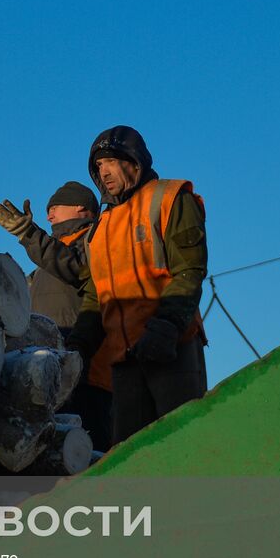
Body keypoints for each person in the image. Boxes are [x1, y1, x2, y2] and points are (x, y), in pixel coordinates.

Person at [68, 125, 208, 444]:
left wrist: (167, 326)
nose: (103, 173)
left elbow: (189, 269)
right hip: (124, 363)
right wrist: (78, 347)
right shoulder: (100, 228)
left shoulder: (170, 197)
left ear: (134, 162)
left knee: (183, 446)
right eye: (98, 166)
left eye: (110, 162)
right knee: (131, 460)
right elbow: (95, 296)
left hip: (172, 348)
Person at [0, 182, 113, 450]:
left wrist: (28, 234)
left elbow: (74, 267)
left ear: (81, 207)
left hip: (86, 366)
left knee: (90, 449)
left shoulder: (96, 239)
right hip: (49, 368)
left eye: (55, 208)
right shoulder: (49, 258)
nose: (48, 216)